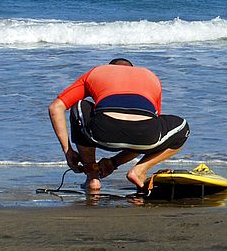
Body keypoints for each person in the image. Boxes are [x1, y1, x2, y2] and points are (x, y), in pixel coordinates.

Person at [48, 58, 190, 193]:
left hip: (102, 133)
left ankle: (92, 177)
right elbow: (142, 130)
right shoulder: (150, 76)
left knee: (79, 106)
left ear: (109, 67)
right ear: (132, 69)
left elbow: (56, 108)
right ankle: (139, 170)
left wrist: (68, 151)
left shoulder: (97, 72)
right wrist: (114, 163)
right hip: (146, 137)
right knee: (182, 127)